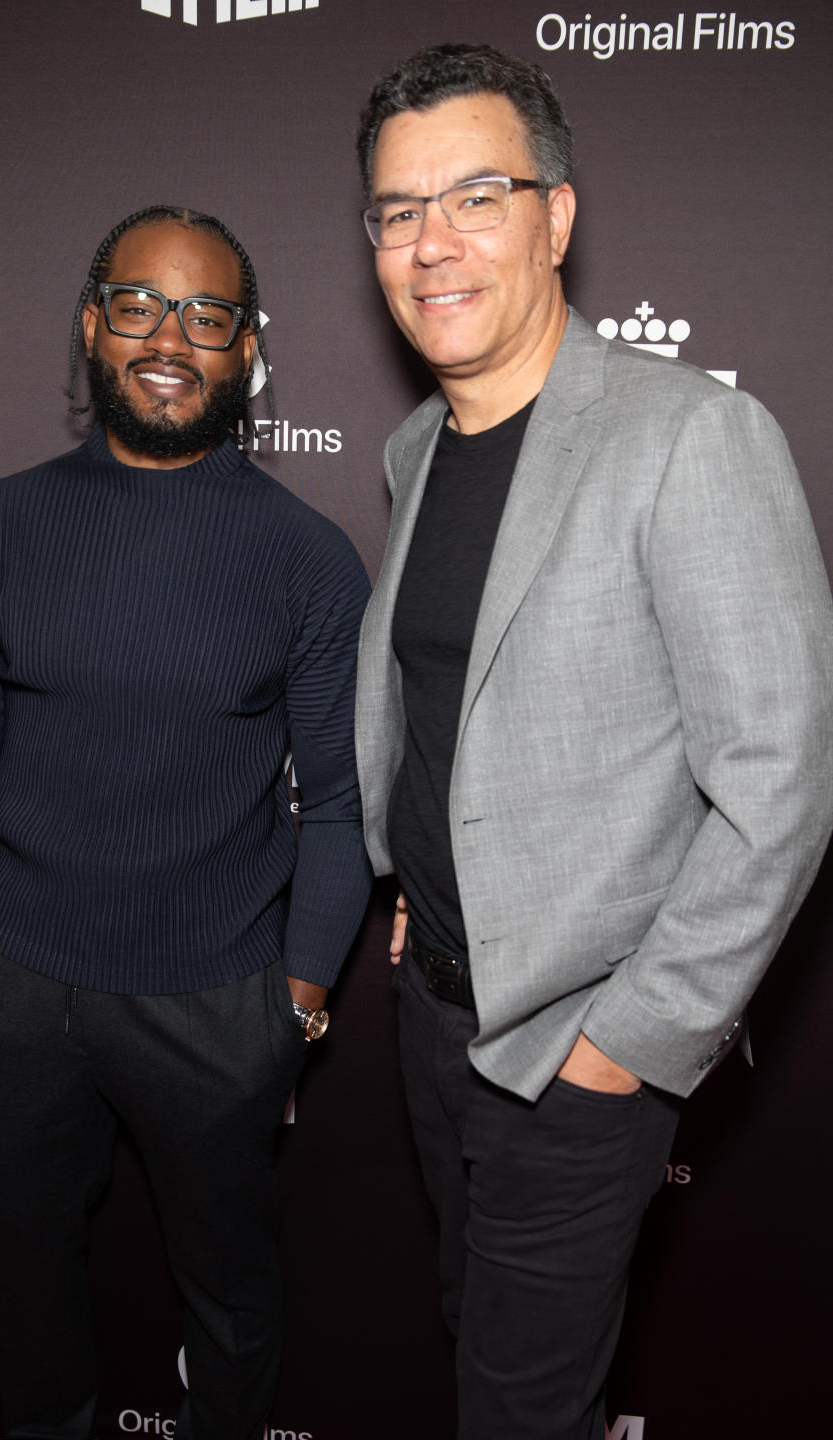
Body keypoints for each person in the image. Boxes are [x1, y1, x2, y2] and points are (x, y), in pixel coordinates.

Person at [353, 43, 833, 1440]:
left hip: (578, 1052)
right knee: (474, 1339)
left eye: (475, 196)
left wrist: (632, 1040)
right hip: (437, 1018)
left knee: (520, 1408)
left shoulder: (692, 437)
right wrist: (405, 870)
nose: (430, 242)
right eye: (396, 209)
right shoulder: (416, 450)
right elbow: (458, 697)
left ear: (556, 217)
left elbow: (781, 782)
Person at [0, 205, 372, 1440]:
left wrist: (297, 1009)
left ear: (246, 350)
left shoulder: (309, 561)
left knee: (233, 1298)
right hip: (10, 991)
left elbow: (342, 804)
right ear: (90, 326)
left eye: (208, 316)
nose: (172, 337)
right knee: (22, 1276)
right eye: (141, 305)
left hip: (219, 1000)